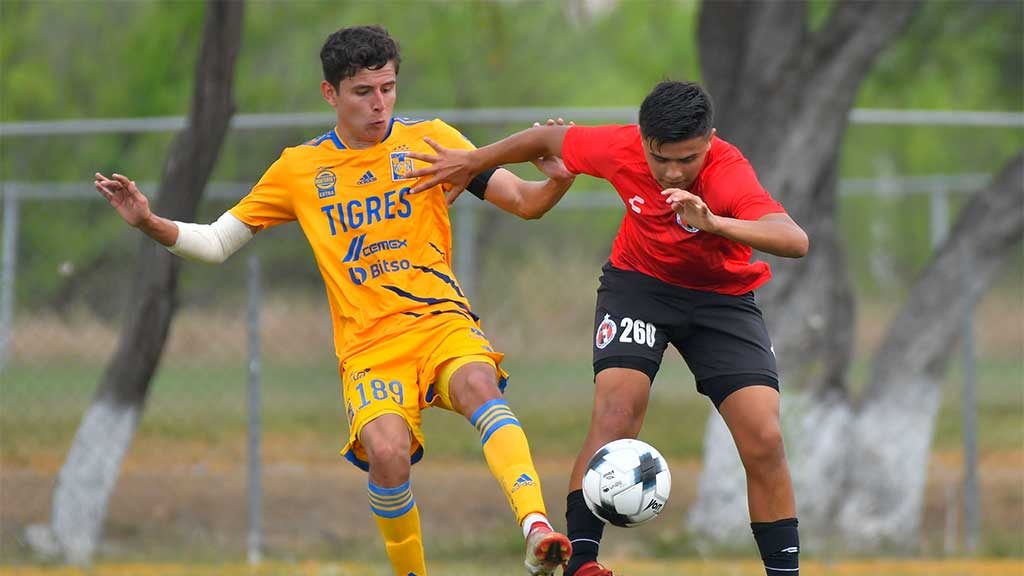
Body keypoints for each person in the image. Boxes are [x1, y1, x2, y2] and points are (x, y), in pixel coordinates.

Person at [94, 25, 577, 576]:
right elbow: (217, 242)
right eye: (363, 92)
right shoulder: (300, 170)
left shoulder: (432, 141)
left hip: (439, 321)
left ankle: (535, 527)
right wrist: (150, 222)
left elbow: (523, 201)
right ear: (331, 94)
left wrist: (558, 182)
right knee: (389, 455)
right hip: (369, 346)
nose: (380, 105)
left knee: (478, 383)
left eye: (389, 89)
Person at [406, 80, 810, 576]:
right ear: (642, 141)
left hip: (721, 302)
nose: (674, 171)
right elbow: (547, 142)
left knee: (764, 437)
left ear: (710, 140)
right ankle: (581, 563)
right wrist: (474, 161)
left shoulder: (728, 173)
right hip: (638, 287)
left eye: (689, 158)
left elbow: (794, 239)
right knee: (617, 414)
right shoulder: (617, 147)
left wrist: (716, 224)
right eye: (662, 158)